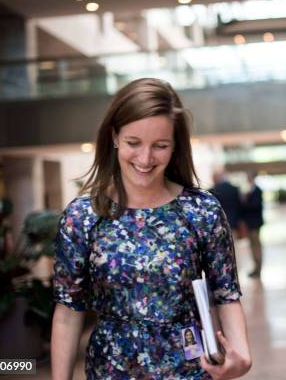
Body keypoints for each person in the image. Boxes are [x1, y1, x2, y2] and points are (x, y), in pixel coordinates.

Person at [51, 78, 251, 379]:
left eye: (160, 146)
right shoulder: (83, 216)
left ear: (175, 147)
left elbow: (226, 294)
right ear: (115, 136)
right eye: (134, 143)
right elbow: (68, 313)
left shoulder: (201, 211)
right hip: (111, 369)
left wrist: (242, 355)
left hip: (189, 369)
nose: (145, 159)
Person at [241, 172, 264, 278]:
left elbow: (255, 205)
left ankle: (258, 269)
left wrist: (245, 202)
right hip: (251, 223)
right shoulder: (251, 190)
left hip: (255, 223)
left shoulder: (257, 190)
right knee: (252, 246)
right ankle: (256, 268)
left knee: (256, 246)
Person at [210, 171, 242, 235]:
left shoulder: (212, 191)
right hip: (233, 221)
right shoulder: (234, 189)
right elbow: (239, 206)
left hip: (219, 224)